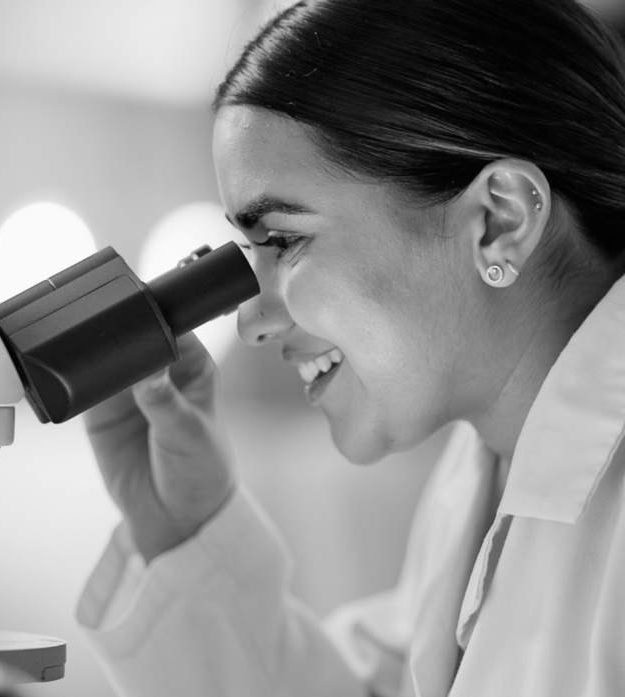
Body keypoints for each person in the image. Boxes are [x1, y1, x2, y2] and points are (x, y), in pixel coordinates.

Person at [74, 0, 625, 695]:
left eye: (284, 240)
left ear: (498, 219)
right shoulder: (483, 469)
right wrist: (185, 525)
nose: (250, 322)